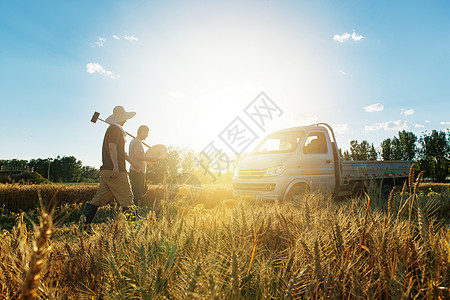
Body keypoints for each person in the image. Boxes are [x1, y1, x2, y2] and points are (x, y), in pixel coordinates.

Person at [80, 105, 141, 232]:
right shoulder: (115, 130)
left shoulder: (114, 129)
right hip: (115, 171)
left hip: (106, 171)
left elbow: (122, 152)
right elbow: (112, 147)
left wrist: (134, 165)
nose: (126, 120)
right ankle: (133, 229)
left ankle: (84, 226)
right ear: (123, 118)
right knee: (127, 198)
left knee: (98, 199)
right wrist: (116, 167)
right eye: (125, 118)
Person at [128, 125, 158, 206]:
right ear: (142, 131)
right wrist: (152, 159)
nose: (147, 135)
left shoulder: (134, 141)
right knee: (137, 193)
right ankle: (134, 213)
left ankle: (133, 209)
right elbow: (138, 156)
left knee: (143, 189)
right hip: (138, 170)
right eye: (147, 133)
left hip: (136, 170)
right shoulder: (137, 142)